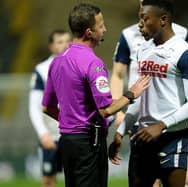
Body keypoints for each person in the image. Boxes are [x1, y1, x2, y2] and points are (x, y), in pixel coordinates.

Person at [41, 3, 151, 187]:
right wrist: (131, 94)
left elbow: (47, 107)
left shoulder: (57, 61)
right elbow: (106, 109)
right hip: (88, 143)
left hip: (67, 141)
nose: (105, 29)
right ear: (88, 32)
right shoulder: (94, 63)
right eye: (101, 26)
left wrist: (71, 121)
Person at [109, 1, 188, 187]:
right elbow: (140, 97)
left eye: (145, 18)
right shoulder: (143, 50)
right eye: (139, 18)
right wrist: (120, 131)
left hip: (173, 137)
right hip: (143, 136)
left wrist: (161, 125)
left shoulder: (185, 53)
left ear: (163, 20)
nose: (140, 24)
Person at [29, 29, 71, 187]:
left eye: (68, 41)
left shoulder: (78, 65)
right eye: (60, 42)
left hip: (73, 133)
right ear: (51, 47)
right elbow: (34, 106)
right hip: (52, 135)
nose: (65, 45)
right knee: (48, 180)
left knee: (76, 177)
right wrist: (43, 133)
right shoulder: (41, 70)